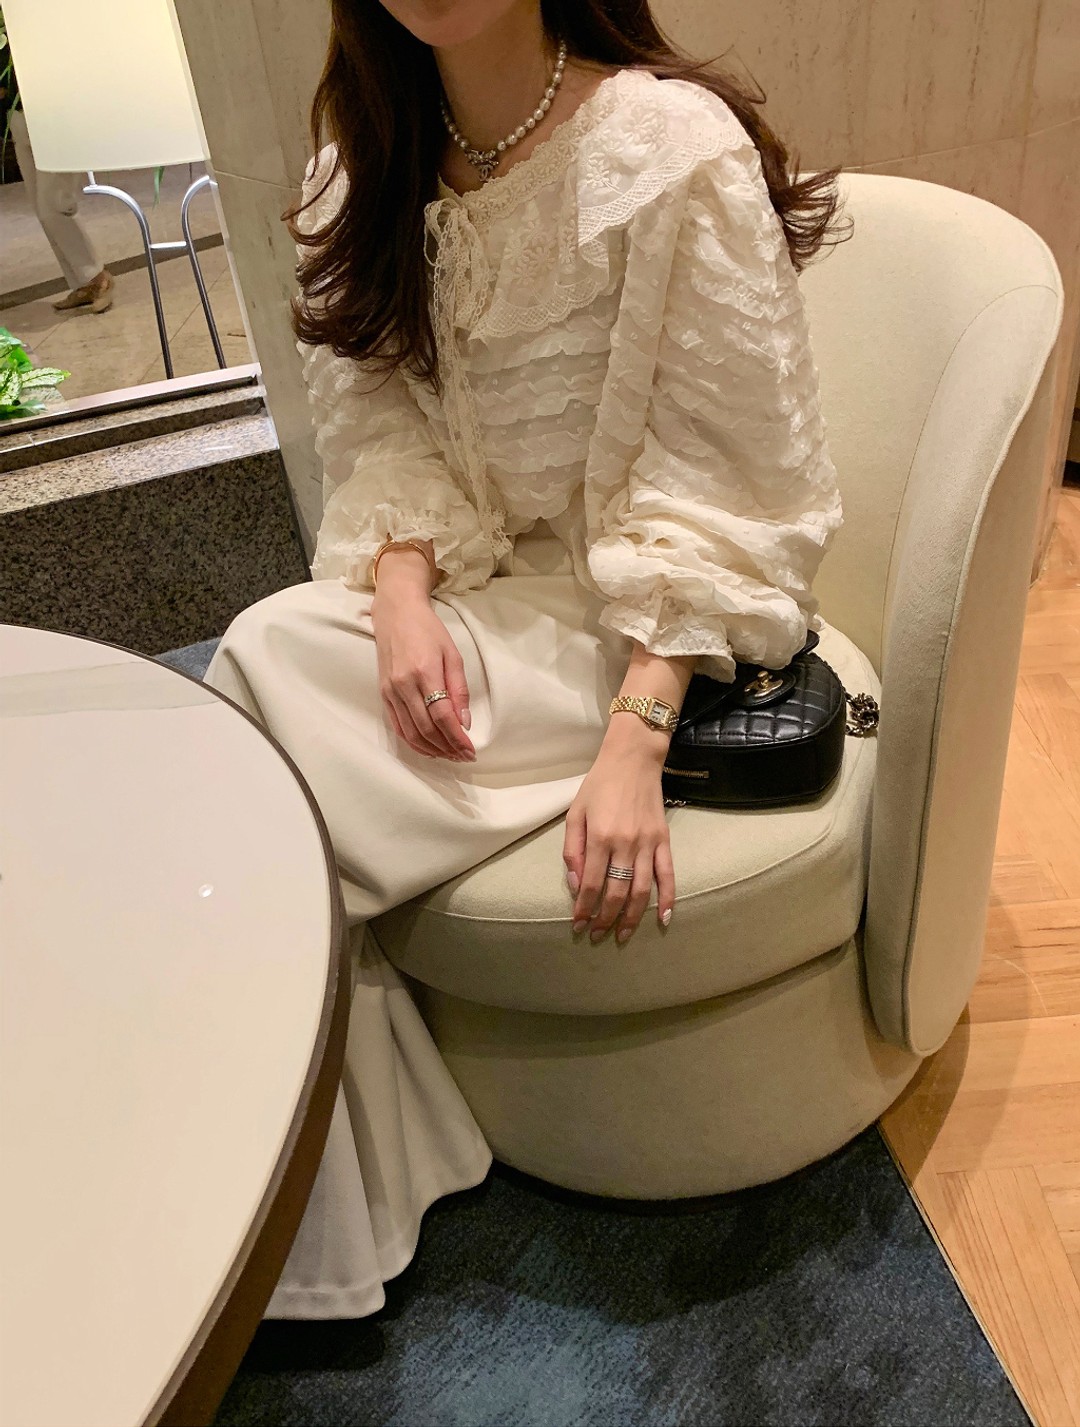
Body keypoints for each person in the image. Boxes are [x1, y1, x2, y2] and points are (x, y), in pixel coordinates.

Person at [204, 0, 848, 1319]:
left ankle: (299, 1228)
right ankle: (312, 1206)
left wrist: (638, 736)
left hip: (644, 630)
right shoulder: (361, 166)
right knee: (261, 673)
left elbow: (732, 487)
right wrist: (398, 592)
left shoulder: (668, 147)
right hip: (472, 607)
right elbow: (379, 430)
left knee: (260, 709)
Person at [6, 83, 114, 313]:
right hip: (18, 117)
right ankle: (83, 284)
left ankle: (98, 278)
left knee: (54, 206)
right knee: (42, 210)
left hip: (53, 116)